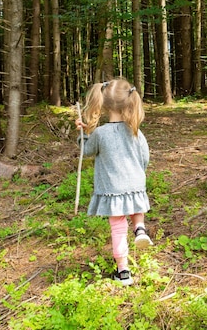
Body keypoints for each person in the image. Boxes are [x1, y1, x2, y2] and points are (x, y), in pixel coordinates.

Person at [76, 78, 153, 286]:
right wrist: (139, 173)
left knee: (118, 228)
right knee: (136, 206)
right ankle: (140, 228)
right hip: (135, 182)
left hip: (112, 189)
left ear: (103, 104)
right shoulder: (135, 131)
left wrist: (83, 134)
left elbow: (87, 151)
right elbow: (145, 156)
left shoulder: (100, 134)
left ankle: (123, 271)